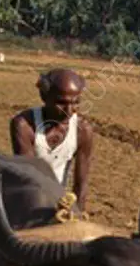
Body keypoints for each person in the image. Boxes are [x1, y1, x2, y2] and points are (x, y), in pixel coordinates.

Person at [10, 68, 93, 211]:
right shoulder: (24, 125)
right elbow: (30, 176)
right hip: (26, 196)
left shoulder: (83, 131)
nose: (69, 110)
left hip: (58, 199)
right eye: (61, 103)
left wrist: (78, 216)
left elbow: (81, 183)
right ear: (44, 96)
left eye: (75, 102)